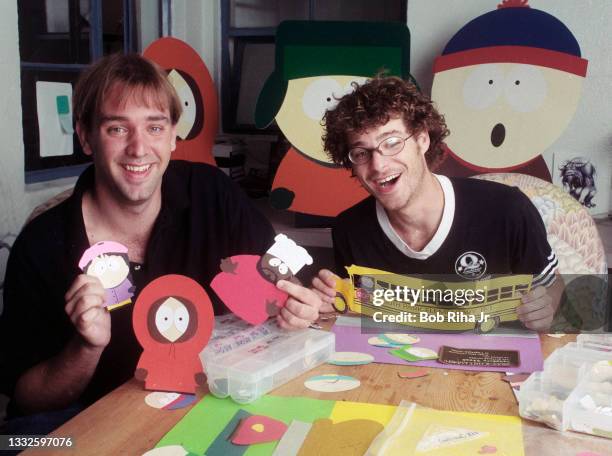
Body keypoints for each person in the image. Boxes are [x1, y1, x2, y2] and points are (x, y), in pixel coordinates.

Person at [0, 53, 321, 429]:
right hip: (88, 424)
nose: (139, 148)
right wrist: (86, 347)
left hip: (205, 407)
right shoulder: (42, 245)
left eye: (154, 128)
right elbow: (29, 399)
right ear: (86, 137)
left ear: (172, 136)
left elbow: (278, 282)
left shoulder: (212, 193)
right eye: (117, 129)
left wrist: (294, 305)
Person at [312, 76, 563, 331]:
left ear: (422, 139)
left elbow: (553, 286)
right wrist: (329, 303)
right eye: (362, 153)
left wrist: (547, 306)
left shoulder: (508, 209)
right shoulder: (349, 228)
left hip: (490, 363)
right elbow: (355, 311)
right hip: (397, 363)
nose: (378, 165)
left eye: (392, 143)